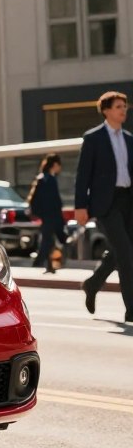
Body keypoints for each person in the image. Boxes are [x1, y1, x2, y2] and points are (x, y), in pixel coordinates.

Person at [75, 91, 133, 322]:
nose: (123, 110)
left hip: (128, 200)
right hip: (105, 205)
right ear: (106, 110)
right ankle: (131, 309)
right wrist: (80, 206)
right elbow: (83, 174)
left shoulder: (129, 139)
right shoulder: (93, 138)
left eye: (125, 106)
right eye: (119, 106)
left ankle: (92, 284)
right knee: (126, 254)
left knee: (123, 251)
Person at [30, 153, 65, 274]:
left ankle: (50, 265)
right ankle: (38, 264)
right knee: (48, 241)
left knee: (49, 240)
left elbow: (34, 200)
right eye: (59, 165)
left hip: (45, 216)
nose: (60, 168)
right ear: (55, 165)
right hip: (52, 216)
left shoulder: (41, 178)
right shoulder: (50, 179)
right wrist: (59, 217)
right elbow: (54, 201)